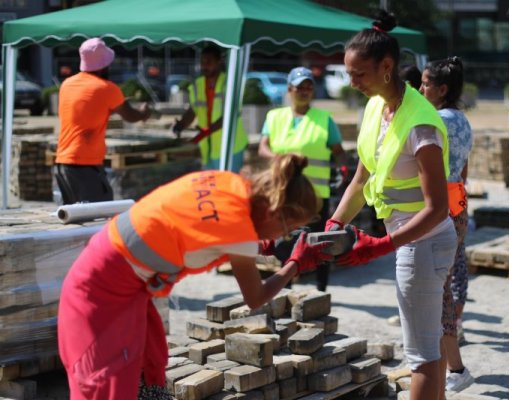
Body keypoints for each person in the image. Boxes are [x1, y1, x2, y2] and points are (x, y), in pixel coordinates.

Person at [57, 153, 331, 400]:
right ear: (274, 211)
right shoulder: (240, 233)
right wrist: (295, 264)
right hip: (100, 293)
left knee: (142, 372)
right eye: (287, 228)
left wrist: (258, 245)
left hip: (104, 266)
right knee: (105, 386)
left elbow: (195, 225)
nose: (281, 237)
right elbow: (255, 297)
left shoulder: (227, 182)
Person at [325, 11, 457, 400]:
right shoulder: (376, 108)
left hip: (424, 240)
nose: (352, 83)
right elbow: (361, 179)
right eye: (348, 73)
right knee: (428, 351)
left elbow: (435, 207)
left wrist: (382, 246)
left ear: (386, 67)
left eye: (359, 74)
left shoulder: (420, 124)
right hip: (411, 239)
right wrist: (333, 223)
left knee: (420, 357)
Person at [258, 66, 347, 291]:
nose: (305, 91)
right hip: (284, 191)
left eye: (309, 87)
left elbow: (338, 152)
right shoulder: (274, 116)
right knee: (284, 241)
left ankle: (320, 289)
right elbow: (263, 148)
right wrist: (282, 158)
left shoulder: (325, 119)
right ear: (289, 89)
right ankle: (285, 288)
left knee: (319, 242)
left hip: (316, 194)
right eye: (300, 87)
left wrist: (343, 171)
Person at [420, 56, 474, 392]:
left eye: (426, 83)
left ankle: (454, 368)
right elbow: (464, 170)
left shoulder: (436, 120)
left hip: (441, 208)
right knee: (444, 285)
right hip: (457, 204)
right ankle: (449, 365)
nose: (420, 88)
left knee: (439, 291)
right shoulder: (462, 120)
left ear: (442, 89)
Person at [55, 37, 152, 205]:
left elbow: (86, 109)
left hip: (63, 163)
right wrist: (144, 113)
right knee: (98, 217)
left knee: (74, 222)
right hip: (86, 165)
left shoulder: (67, 85)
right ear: (103, 65)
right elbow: (130, 116)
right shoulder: (107, 88)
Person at [172, 43, 247, 172]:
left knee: (227, 187)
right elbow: (193, 110)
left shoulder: (229, 83)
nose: (205, 65)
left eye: (209, 61)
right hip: (209, 149)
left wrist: (206, 132)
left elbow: (230, 115)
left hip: (231, 147)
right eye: (202, 61)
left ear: (219, 62)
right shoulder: (198, 85)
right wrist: (182, 124)